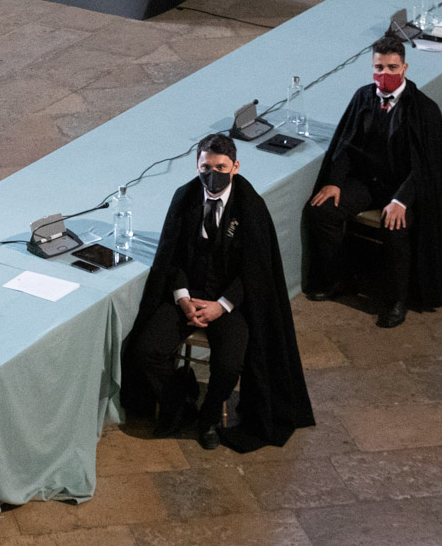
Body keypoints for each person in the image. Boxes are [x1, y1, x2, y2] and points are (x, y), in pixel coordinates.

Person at [119, 135, 313, 451]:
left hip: (229, 302)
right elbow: (173, 256)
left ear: (235, 167)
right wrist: (182, 298)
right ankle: (177, 403)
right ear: (197, 166)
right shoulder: (185, 198)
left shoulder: (250, 206)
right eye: (206, 167)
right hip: (188, 295)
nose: (213, 174)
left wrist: (221, 306)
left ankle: (208, 417)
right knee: (146, 350)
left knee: (228, 365)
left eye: (221, 167)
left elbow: (255, 269)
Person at [304, 37, 442, 329]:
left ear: (405, 67)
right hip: (367, 183)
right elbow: (346, 145)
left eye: (392, 67)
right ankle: (339, 278)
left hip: (404, 191)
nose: (384, 74)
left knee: (395, 224)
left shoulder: (424, 110)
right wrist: (335, 182)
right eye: (378, 67)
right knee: (321, 211)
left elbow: (424, 167)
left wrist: (400, 200)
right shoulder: (363, 97)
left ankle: (396, 300)